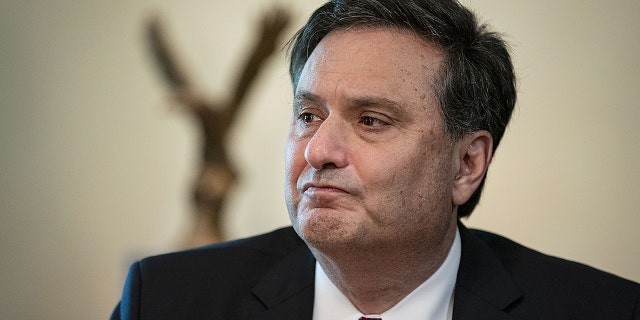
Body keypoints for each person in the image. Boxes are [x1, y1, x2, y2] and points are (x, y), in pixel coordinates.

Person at [111, 0, 640, 319]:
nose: (318, 151)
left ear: (467, 164)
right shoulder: (167, 303)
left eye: (371, 121)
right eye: (308, 116)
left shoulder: (602, 313)